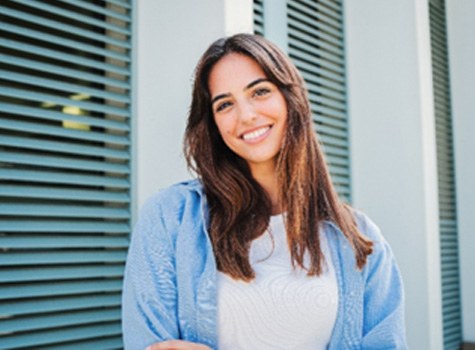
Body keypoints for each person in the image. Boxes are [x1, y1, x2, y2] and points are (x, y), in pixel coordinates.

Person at [122, 33, 407, 350]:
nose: (246, 115)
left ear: (291, 98)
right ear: (213, 123)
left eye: (259, 91)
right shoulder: (168, 218)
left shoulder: (360, 240)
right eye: (225, 104)